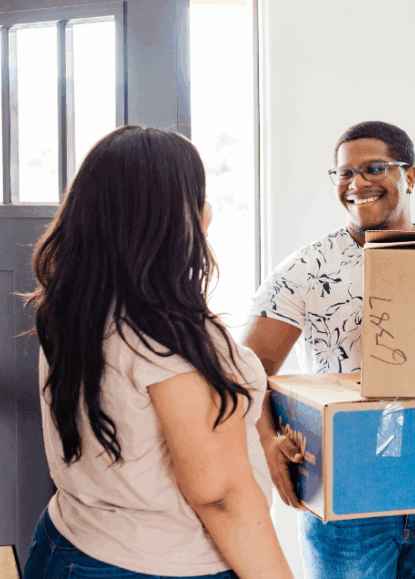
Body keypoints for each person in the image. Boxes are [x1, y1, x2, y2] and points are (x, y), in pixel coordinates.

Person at [23, 126, 297, 579]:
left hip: (66, 542)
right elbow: (219, 493)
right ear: (178, 216)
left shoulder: (76, 303)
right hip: (154, 565)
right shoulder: (167, 332)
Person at [243, 121, 415, 578]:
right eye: (344, 174)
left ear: (409, 176)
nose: (356, 184)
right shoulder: (307, 269)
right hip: (350, 496)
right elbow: (244, 367)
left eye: (373, 168)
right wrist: (268, 438)